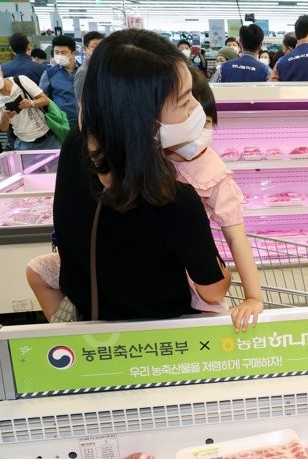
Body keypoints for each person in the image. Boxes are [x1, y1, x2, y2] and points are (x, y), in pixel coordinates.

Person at [29, 67, 263, 330]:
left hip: (193, 279)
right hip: (148, 274)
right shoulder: (143, 157)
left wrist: (253, 297)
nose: (197, 127)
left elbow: (235, 235)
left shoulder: (213, 176)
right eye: (185, 108)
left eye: (206, 122)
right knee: (37, 269)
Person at [50, 29, 230, 321]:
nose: (195, 110)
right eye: (185, 101)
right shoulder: (175, 199)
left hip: (90, 319)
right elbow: (214, 291)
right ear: (144, 112)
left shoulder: (76, 145)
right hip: (158, 341)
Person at [0, 57, 62, 151]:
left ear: (0, 72)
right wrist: (5, 117)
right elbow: (3, 128)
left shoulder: (21, 80)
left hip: (49, 136)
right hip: (25, 143)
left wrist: (31, 103)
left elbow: (45, 100)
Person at [40, 35, 79, 123]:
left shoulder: (84, 71)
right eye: (56, 52)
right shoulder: (49, 74)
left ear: (73, 54)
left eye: (64, 52)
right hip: (62, 122)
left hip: (84, 121)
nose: (59, 55)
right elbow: (42, 98)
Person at [73, 30, 106, 100]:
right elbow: (80, 100)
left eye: (102, 46)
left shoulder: (101, 68)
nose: (99, 50)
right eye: (94, 47)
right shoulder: (84, 71)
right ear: (85, 49)